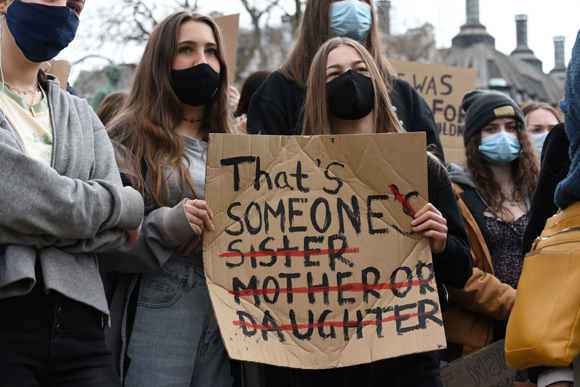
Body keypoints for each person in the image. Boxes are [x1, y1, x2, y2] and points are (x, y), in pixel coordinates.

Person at [291, 37, 472, 387]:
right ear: (317, 91)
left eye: (360, 70)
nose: (350, 79)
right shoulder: (297, 174)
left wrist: (441, 244)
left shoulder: (424, 169)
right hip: (329, 360)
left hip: (408, 358)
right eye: (335, 74)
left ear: (376, 79)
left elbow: (462, 271)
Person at [0, 0, 144, 386]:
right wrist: (127, 204)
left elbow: (113, 238)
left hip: (83, 324)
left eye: (76, 5)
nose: (65, 8)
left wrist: (17, 226)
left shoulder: (81, 113)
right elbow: (10, 194)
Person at [99, 10, 234, 387]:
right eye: (186, 49)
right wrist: (169, 224)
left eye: (211, 51)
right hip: (161, 296)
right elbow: (102, 243)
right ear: (160, 61)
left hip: (230, 309)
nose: (201, 61)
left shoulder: (238, 145)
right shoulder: (124, 140)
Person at [246, 0, 445, 163]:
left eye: (360, 0)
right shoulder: (276, 93)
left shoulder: (404, 95)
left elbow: (435, 180)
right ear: (317, 9)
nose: (352, 7)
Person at [443, 90, 539, 360]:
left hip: (540, 323)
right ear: (475, 138)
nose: (503, 135)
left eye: (511, 127)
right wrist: (513, 302)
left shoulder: (541, 191)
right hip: (483, 336)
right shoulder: (454, 194)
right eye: (491, 128)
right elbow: (456, 271)